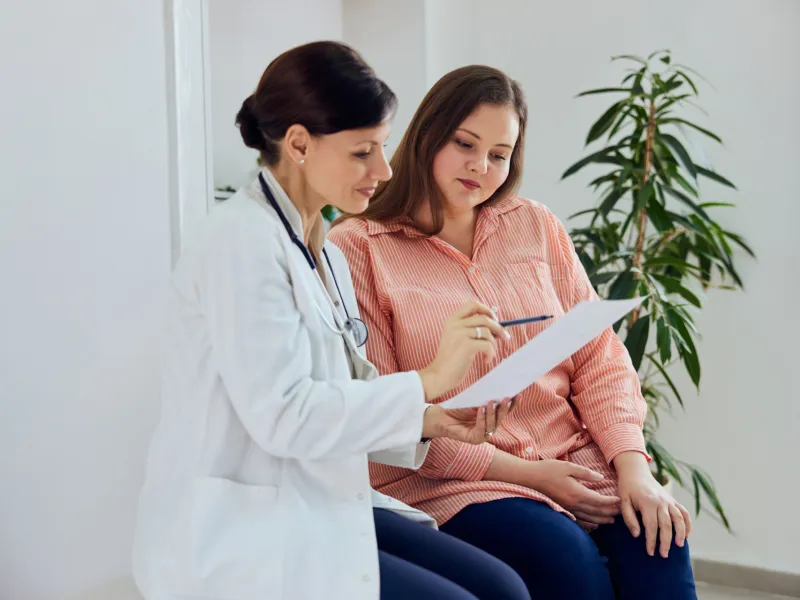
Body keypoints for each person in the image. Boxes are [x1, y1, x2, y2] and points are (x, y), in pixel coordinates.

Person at [131, 43, 530, 600]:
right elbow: (286, 417)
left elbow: (349, 388)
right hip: (247, 528)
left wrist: (435, 419)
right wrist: (430, 379)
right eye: (363, 152)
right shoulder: (240, 242)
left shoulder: (325, 250)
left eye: (384, 148)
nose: (384, 170)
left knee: (504, 588)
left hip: (315, 498)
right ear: (298, 144)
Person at [329, 64, 698, 600]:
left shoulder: (535, 225)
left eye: (499, 155)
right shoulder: (358, 246)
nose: (480, 167)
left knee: (660, 536)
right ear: (428, 134)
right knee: (565, 561)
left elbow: (600, 359)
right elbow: (388, 411)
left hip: (576, 458)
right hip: (458, 482)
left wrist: (634, 468)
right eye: (465, 143)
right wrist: (534, 476)